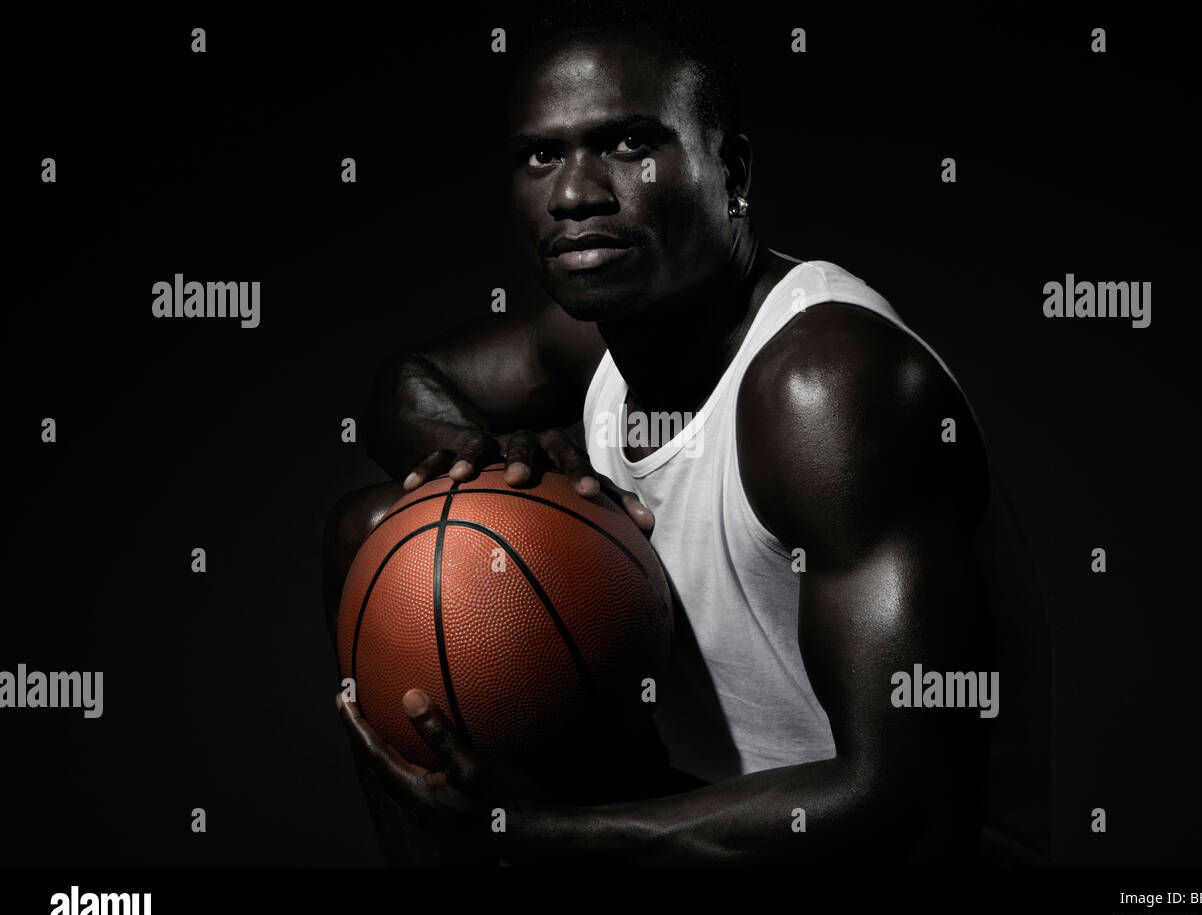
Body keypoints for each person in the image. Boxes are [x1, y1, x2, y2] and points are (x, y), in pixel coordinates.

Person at [322, 1, 1049, 864]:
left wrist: (530, 831)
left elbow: (913, 809)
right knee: (380, 533)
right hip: (685, 809)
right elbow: (407, 386)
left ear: (730, 169)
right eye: (541, 155)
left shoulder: (829, 387)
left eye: (630, 144)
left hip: (876, 844)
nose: (575, 194)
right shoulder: (599, 332)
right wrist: (478, 455)